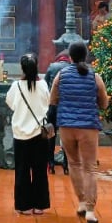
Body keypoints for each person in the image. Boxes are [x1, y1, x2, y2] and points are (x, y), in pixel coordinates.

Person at [49, 41, 110, 223]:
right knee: (90, 168)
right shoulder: (95, 76)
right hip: (88, 127)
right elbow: (104, 103)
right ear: (85, 56)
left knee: (74, 164)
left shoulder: (61, 75)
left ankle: (82, 202)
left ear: (70, 57)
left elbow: (53, 101)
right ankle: (91, 211)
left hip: (66, 126)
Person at [5, 53, 51, 215]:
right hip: (39, 134)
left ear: (22, 68)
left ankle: (24, 205)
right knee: (39, 171)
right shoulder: (44, 85)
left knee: (22, 171)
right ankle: (39, 205)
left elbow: (10, 104)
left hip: (21, 135)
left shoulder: (16, 86)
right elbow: (48, 102)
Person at [44, 46, 72, 174]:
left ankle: (50, 163)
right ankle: (66, 165)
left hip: (52, 107)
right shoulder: (71, 68)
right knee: (65, 137)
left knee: (50, 135)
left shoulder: (52, 67)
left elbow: (45, 85)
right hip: (66, 107)